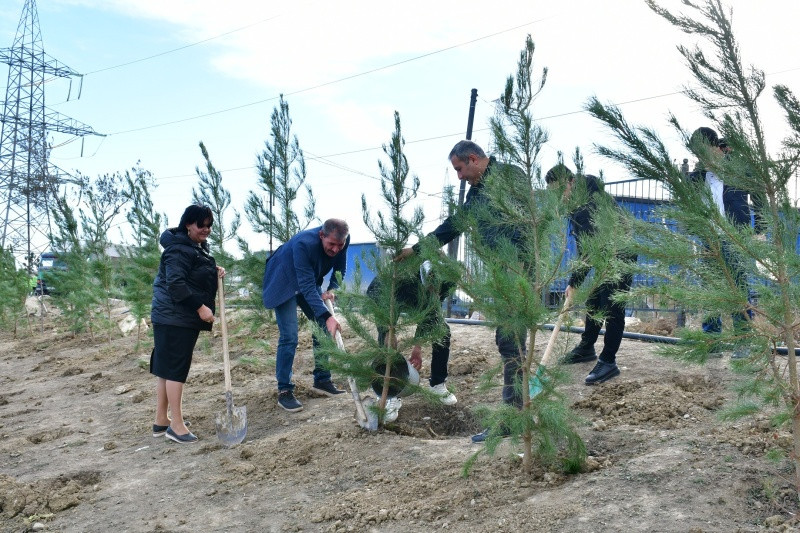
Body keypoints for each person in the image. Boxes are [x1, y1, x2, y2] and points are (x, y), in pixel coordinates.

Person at [395, 140, 528, 443]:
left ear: (472, 159)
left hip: (517, 272)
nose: (459, 177)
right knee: (508, 343)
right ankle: (516, 413)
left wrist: (520, 265)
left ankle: (513, 419)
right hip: (502, 274)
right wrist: (416, 250)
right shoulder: (477, 191)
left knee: (511, 344)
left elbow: (527, 220)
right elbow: (454, 225)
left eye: (459, 169)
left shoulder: (510, 176)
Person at [544, 164, 637, 385]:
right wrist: (575, 280)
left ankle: (608, 361)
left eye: (559, 191)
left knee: (613, 307)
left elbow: (588, 251)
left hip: (620, 254)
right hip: (603, 254)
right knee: (594, 301)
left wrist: (574, 282)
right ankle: (587, 348)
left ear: (571, 182)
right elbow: (584, 245)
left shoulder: (588, 204)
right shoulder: (577, 202)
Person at [151, 204, 225, 444]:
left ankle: (162, 420)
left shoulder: (193, 248)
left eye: (209, 225)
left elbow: (191, 273)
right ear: (187, 225)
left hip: (171, 316)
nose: (206, 229)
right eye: (200, 225)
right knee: (175, 369)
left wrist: (212, 270)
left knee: (166, 368)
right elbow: (176, 284)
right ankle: (176, 425)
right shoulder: (179, 250)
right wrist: (200, 307)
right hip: (175, 317)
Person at [689, 127, 764, 358]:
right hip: (709, 238)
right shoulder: (698, 175)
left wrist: (760, 229)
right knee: (710, 289)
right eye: (697, 153)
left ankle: (743, 341)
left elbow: (759, 193)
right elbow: (688, 201)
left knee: (738, 288)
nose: (701, 157)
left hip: (734, 236)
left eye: (704, 151)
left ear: (715, 147)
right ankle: (712, 341)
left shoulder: (736, 167)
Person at [262, 219, 350, 412]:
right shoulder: (304, 243)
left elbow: (339, 270)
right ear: (321, 235)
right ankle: (284, 390)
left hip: (307, 277)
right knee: (290, 336)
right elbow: (307, 287)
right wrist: (328, 316)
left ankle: (322, 380)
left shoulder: (343, 240)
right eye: (331, 244)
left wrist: (332, 289)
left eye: (340, 245)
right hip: (283, 280)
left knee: (323, 328)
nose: (335, 249)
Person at [366, 260, 458, 421]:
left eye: (436, 289)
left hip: (419, 300)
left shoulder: (449, 279)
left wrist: (417, 347)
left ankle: (438, 384)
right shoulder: (401, 277)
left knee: (443, 331)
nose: (434, 291)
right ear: (423, 279)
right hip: (390, 299)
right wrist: (388, 329)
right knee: (387, 343)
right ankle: (391, 394)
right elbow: (377, 299)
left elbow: (431, 311)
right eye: (430, 287)